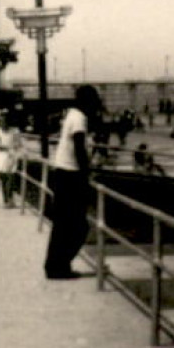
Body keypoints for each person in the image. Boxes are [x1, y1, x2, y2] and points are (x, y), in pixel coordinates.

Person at [44, 85, 104, 280]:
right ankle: (59, 265)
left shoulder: (72, 115)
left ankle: (56, 265)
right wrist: (86, 176)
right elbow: (79, 148)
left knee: (63, 225)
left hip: (63, 173)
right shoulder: (79, 118)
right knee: (78, 227)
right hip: (71, 175)